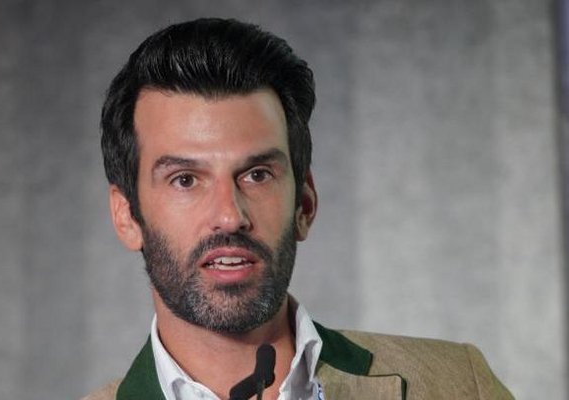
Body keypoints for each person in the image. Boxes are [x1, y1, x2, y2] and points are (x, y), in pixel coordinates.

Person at [84, 18, 513, 400]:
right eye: (185, 180)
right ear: (127, 216)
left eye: (256, 175)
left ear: (304, 205)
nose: (230, 216)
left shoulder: (461, 385)